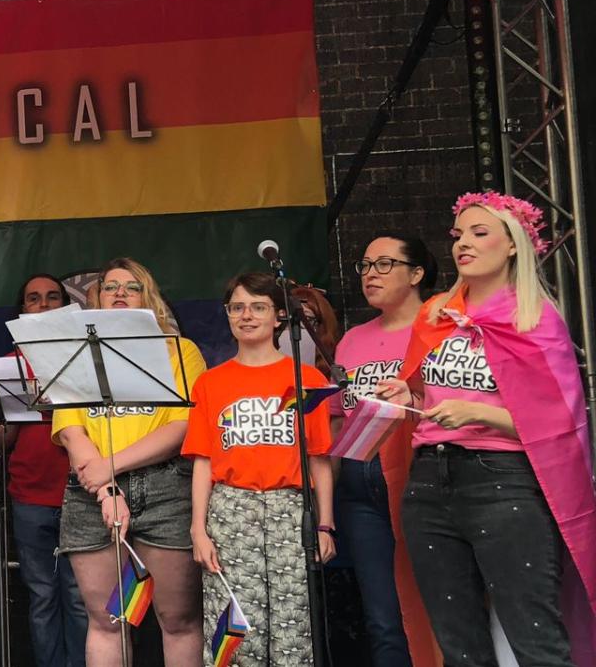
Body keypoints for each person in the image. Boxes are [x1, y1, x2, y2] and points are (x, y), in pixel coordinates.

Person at [374, 192, 596, 665]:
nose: (462, 245)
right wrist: (404, 396)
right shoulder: (436, 314)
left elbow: (561, 427)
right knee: (459, 647)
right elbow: (426, 397)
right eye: (458, 235)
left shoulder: (535, 320)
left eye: (479, 233)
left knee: (536, 640)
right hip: (429, 483)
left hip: (504, 482)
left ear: (512, 244)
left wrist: (480, 414)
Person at [52, 257, 208, 666]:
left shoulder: (179, 350)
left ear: (149, 297)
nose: (120, 293)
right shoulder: (76, 354)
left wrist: (111, 467)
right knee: (107, 620)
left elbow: (182, 426)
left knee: (178, 619)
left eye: (132, 286)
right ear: (98, 298)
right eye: (110, 286)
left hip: (165, 487)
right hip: (92, 493)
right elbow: (71, 432)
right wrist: (106, 489)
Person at [183, 272, 337, 666]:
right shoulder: (210, 383)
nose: (246, 315)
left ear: (279, 316)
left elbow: (319, 458)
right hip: (231, 510)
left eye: (258, 307)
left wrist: (325, 525)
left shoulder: (307, 380)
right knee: (235, 625)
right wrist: (198, 529)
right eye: (237, 307)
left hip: (289, 510)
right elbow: (203, 460)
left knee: (292, 627)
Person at [326, 234, 433, 667]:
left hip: (417, 475)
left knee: (434, 602)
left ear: (417, 273)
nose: (370, 274)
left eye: (384, 264)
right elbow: (337, 418)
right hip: (359, 483)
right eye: (365, 265)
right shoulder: (350, 340)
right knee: (381, 616)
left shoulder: (438, 327)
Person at [2, 273, 87, 667]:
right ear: (23, 310)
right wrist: (14, 409)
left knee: (81, 597)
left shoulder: (89, 356)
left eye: (53, 297)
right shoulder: (6, 365)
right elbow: (2, 441)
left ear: (67, 307)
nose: (44, 304)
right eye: (33, 298)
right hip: (30, 495)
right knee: (41, 597)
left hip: (84, 493)